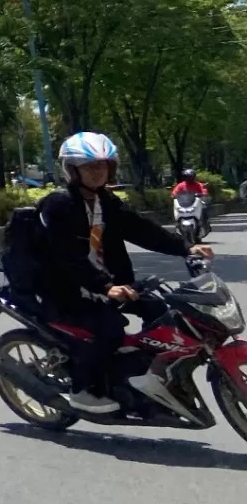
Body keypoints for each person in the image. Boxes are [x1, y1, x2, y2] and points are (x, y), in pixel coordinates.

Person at [38, 131, 212, 414]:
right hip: (66, 290)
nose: (98, 172)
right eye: (90, 166)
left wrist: (187, 247)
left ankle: (142, 373)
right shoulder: (58, 205)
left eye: (104, 165)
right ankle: (84, 389)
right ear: (71, 170)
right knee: (109, 330)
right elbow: (66, 258)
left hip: (107, 285)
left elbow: (141, 230)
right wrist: (105, 287)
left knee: (161, 311)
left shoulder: (105, 201)